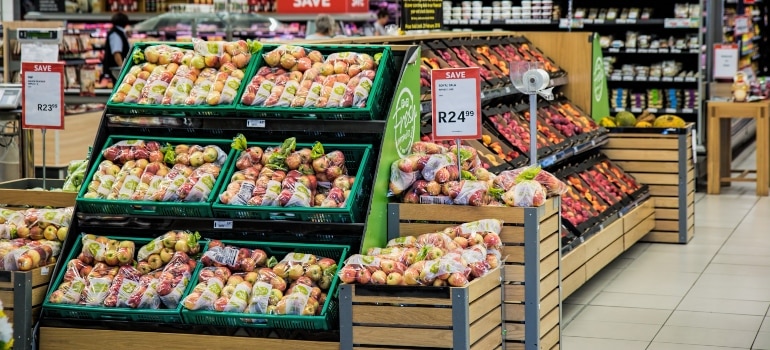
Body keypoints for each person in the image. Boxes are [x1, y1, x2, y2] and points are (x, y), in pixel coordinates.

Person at [103, 12, 130, 82]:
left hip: (115, 70)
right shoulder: (115, 34)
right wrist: (123, 70)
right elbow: (116, 53)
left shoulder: (119, 33)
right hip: (116, 71)